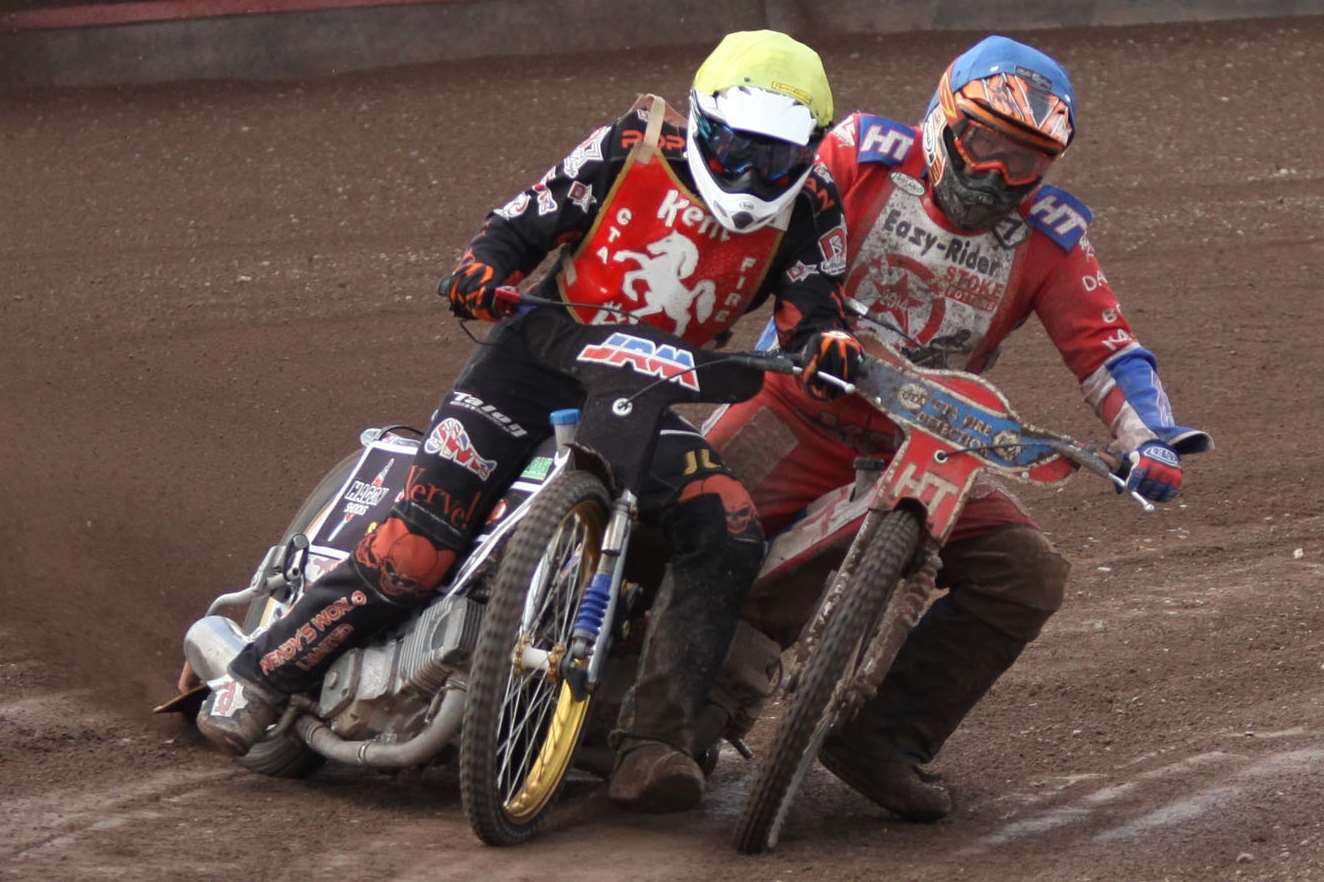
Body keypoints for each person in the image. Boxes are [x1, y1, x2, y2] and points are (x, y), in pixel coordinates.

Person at [196, 29, 861, 813]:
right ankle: (263, 674)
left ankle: (655, 742)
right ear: (700, 120)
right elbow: (522, 221)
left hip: (646, 389)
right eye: (737, 149)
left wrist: (828, 346)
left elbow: (817, 311)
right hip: (539, 355)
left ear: (811, 151)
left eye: (777, 158)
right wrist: (484, 270)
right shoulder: (632, 146)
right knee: (416, 546)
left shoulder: (813, 207)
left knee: (729, 526)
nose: (754, 175)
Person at [703, 35, 1211, 821]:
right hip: (795, 407)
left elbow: (1107, 350)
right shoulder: (861, 156)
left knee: (1025, 576)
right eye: (982, 143)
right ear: (943, 117)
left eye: (1026, 160)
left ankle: (880, 735)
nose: (996, 174)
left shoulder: (1050, 235)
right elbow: (752, 228)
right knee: (689, 527)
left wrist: (1151, 436)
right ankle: (627, 726)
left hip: (929, 442)